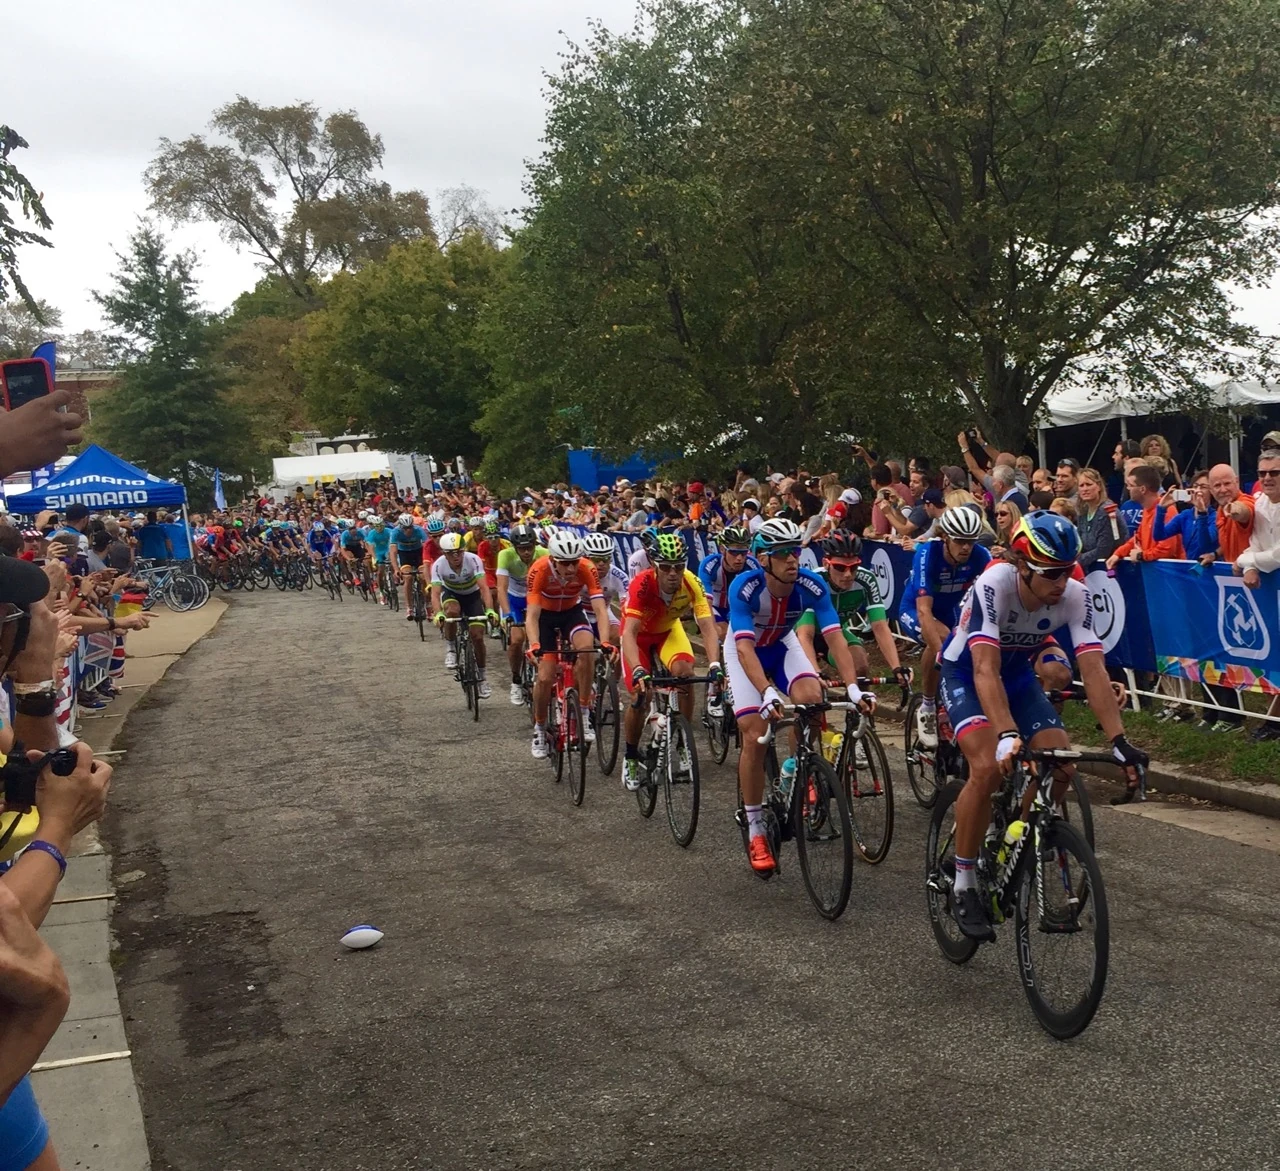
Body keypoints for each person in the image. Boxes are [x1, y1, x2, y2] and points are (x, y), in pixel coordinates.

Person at [939, 512, 1147, 939]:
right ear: (1022, 565)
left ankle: (1018, 834)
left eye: (1067, 570)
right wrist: (1006, 734)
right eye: (1051, 572)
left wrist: (1120, 740)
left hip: (1017, 678)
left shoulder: (1075, 594)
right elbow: (984, 669)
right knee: (986, 769)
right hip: (967, 675)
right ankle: (963, 880)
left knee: (1061, 762)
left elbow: (1093, 669)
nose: (1061, 581)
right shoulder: (993, 585)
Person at [725, 519, 871, 876]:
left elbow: (835, 637)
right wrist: (766, 691)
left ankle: (796, 767)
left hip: (782, 644)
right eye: (782, 554)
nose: (792, 559)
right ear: (763, 559)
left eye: (795, 551)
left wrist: (852, 688)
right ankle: (756, 827)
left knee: (811, 698)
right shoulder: (745, 587)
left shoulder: (810, 583)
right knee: (754, 734)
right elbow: (744, 649)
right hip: (746, 651)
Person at [620, 533, 723, 791]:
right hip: (638, 638)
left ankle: (682, 741)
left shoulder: (692, 582)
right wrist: (639, 669)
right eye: (666, 567)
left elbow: (707, 627)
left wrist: (714, 665)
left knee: (685, 675)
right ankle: (630, 756)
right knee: (640, 695)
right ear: (655, 565)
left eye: (679, 566)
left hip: (668, 632)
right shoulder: (642, 584)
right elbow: (629, 633)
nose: (673, 573)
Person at [898, 507, 992, 748]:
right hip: (915, 609)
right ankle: (928, 706)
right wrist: (944, 657)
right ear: (944, 537)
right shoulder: (927, 554)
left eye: (971, 541)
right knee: (943, 642)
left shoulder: (981, 555)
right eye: (959, 541)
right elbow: (924, 611)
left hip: (950, 613)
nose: (966, 548)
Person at [524, 531, 614, 760]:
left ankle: (583, 711)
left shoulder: (587, 567)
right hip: (545, 617)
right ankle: (539, 728)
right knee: (545, 677)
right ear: (553, 560)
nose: (571, 568)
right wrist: (534, 644)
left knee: (587, 651)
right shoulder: (539, 569)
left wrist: (605, 641)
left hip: (571, 613)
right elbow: (532, 616)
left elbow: (600, 609)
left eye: (574, 561)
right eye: (565, 563)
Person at [795, 531, 911, 692]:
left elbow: (880, 627)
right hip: (800, 636)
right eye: (840, 567)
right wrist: (816, 671)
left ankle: (861, 705)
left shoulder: (866, 580)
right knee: (811, 693)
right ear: (826, 563)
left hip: (835, 633)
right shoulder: (814, 582)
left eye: (854, 567)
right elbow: (805, 635)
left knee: (860, 666)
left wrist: (896, 668)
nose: (848, 574)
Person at [1236, 448, 1280, 739]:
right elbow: (1253, 542)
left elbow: (1277, 555)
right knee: (1273, 656)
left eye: (1274, 472)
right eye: (1262, 473)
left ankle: (1273, 722)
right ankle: (1273, 720)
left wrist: (1246, 561)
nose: (1267, 478)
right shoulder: (1260, 503)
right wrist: (1249, 564)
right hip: (1271, 594)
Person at [429, 533, 498, 698]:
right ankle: (451, 648)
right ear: (444, 553)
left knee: (478, 637)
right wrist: (438, 613)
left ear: (463, 550)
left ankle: (482, 678)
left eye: (459, 552)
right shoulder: (438, 565)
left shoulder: (473, 560)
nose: (456, 556)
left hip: (472, 596)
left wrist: (490, 610)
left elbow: (484, 588)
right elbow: (435, 593)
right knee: (452, 612)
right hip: (451, 594)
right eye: (451, 553)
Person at [1105, 464, 1183, 567]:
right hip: (1154, 572)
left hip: (1168, 573)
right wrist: (1118, 553)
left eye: (1130, 485)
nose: (1128, 488)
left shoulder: (1167, 511)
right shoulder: (1147, 509)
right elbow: (1138, 538)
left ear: (1142, 489)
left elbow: (1167, 549)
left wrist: (1141, 555)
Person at [1075, 468, 1129, 567]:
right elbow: (1079, 544)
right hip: (1090, 567)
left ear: (1099, 486)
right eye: (1081, 485)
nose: (1085, 489)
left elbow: (1103, 550)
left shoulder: (1107, 511)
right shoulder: (1082, 512)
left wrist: (1076, 561)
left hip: (1112, 567)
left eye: (1089, 484)